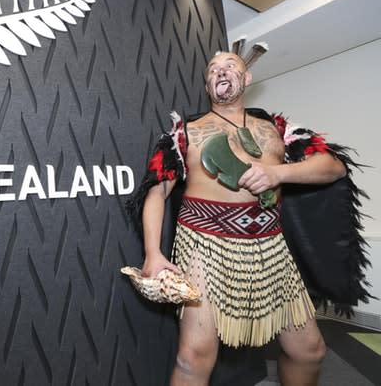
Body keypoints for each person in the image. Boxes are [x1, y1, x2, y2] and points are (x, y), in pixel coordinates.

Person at [126, 50, 370, 386]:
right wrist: (153, 254)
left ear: (247, 78)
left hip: (270, 249)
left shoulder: (278, 128)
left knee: (309, 350)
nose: (220, 72)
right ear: (208, 84)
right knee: (194, 355)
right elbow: (155, 191)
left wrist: (277, 173)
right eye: (213, 70)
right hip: (203, 245)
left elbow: (333, 166)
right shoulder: (184, 132)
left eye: (230, 66)